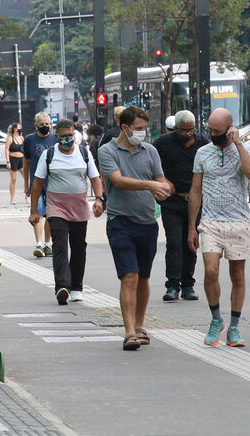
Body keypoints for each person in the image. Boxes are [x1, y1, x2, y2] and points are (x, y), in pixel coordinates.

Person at [98, 106, 173, 351]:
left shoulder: (149, 151)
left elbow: (160, 178)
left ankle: (140, 326)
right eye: (138, 129)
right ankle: (129, 331)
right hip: (120, 222)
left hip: (148, 223)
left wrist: (163, 186)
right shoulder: (107, 150)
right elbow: (117, 180)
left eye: (144, 128)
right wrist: (150, 185)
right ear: (125, 128)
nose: (142, 133)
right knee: (128, 276)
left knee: (143, 277)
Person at [187, 108, 250, 347]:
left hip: (238, 221)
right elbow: (195, 192)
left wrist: (238, 144)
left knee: (237, 274)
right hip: (210, 222)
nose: (212, 134)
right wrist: (191, 227)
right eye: (210, 130)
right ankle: (216, 320)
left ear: (230, 128)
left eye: (217, 131)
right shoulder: (202, 153)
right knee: (210, 271)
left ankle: (235, 327)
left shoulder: (245, 149)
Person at [30, 119, 103, 304]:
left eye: (70, 135)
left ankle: (77, 286)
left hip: (79, 208)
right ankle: (62, 286)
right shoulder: (49, 155)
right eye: (64, 136)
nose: (68, 139)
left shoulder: (84, 153)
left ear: (75, 134)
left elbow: (95, 178)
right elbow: (37, 185)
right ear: (57, 136)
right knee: (60, 247)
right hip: (56, 208)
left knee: (79, 248)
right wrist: (34, 211)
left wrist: (99, 200)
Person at [153, 109, 207, 302]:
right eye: (183, 130)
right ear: (175, 128)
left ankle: (188, 285)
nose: (188, 134)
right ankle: (173, 285)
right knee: (174, 243)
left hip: (195, 202)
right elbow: (151, 167)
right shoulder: (162, 144)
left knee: (191, 242)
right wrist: (164, 181)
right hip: (172, 203)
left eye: (191, 129)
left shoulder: (203, 144)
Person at [23, 112, 57, 256]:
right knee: (37, 213)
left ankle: (47, 244)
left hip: (53, 183)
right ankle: (38, 244)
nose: (45, 127)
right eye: (42, 125)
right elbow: (26, 163)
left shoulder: (55, 138)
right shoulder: (29, 140)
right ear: (36, 125)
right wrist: (26, 184)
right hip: (37, 184)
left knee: (50, 215)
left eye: (47, 125)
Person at [5, 123, 25, 206]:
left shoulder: (21, 138)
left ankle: (27, 194)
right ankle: (12, 198)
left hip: (22, 159)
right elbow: (6, 150)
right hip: (13, 159)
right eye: (18, 128)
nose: (20, 129)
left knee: (26, 177)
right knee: (13, 179)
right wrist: (8, 161)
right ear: (15, 129)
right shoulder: (10, 138)